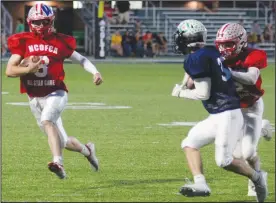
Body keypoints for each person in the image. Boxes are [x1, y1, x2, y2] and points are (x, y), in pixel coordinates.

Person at [171, 19, 268, 202]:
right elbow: (194, 72)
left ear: (186, 39)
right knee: (189, 144)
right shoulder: (209, 52)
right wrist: (186, 82)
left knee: (224, 161)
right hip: (219, 113)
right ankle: (200, 183)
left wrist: (181, 93)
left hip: (230, 112)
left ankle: (257, 177)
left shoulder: (198, 57)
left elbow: (203, 93)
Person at [5, 3, 103, 179]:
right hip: (35, 97)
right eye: (37, 22)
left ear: (51, 21)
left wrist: (95, 72)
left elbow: (81, 59)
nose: (41, 26)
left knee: (47, 120)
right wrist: (27, 70)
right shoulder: (23, 41)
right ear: (30, 22)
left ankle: (58, 162)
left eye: (44, 22)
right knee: (63, 141)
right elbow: (9, 71)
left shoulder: (60, 40)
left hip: (56, 92)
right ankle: (88, 151)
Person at [215, 22, 272, 197]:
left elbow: (251, 78)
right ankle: (262, 127)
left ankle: (255, 181)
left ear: (241, 42)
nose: (224, 48)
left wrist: (229, 73)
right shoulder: (215, 58)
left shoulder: (253, 54)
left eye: (229, 43)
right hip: (232, 109)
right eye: (221, 44)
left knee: (248, 152)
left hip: (252, 105)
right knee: (236, 154)